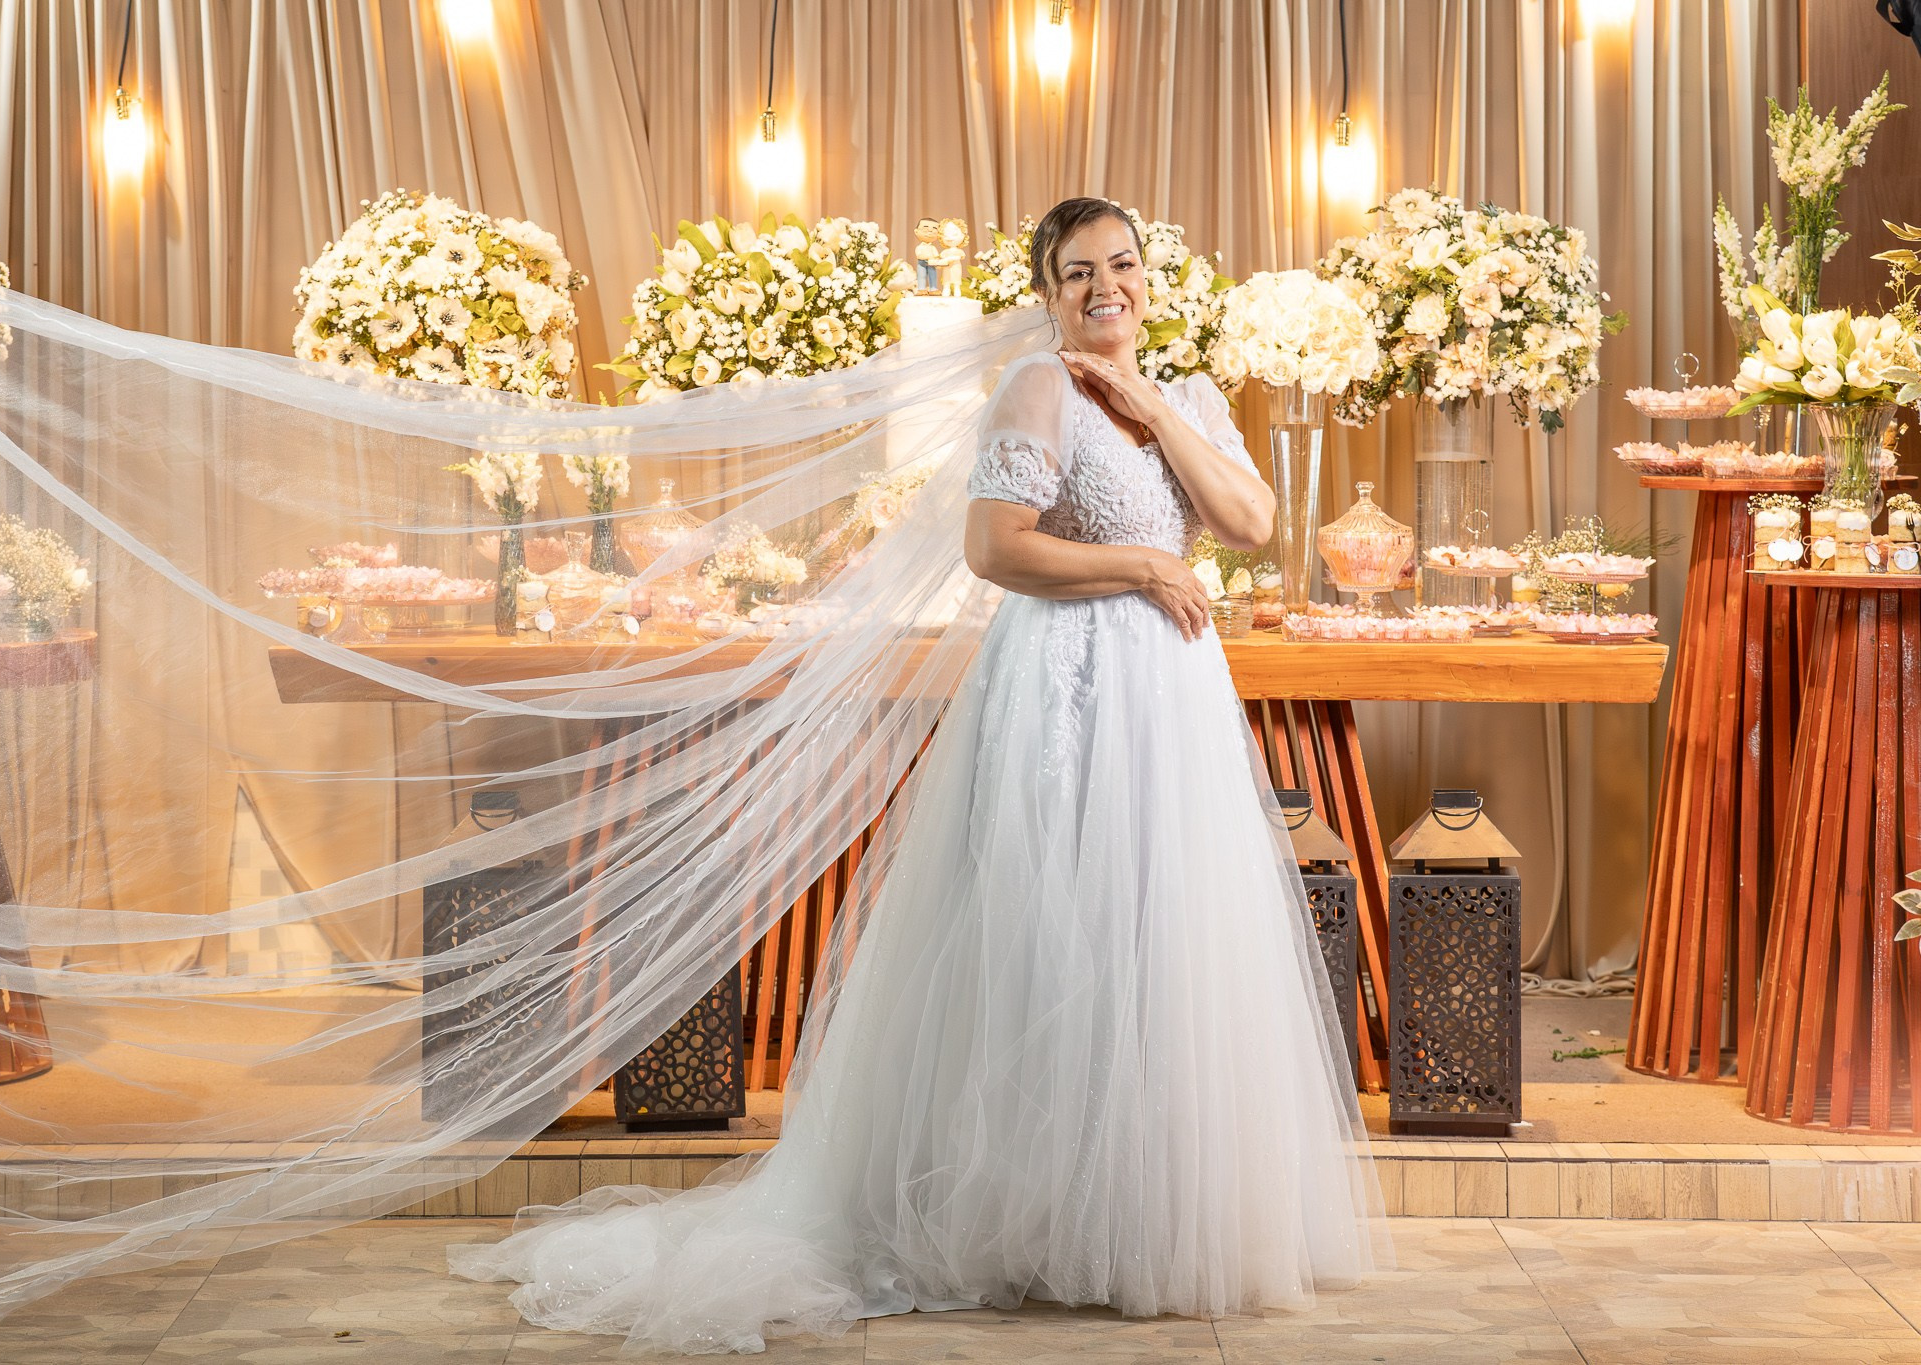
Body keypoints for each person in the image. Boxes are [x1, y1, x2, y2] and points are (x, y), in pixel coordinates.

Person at [449, 196, 1387, 1353]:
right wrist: (1144, 561)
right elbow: (995, 547)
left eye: (1124, 265)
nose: (1106, 287)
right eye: (1079, 271)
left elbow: (1247, 518)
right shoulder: (1036, 389)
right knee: (1050, 936)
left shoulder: (1185, 396)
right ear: (1046, 292)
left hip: (1169, 700)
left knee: (1160, 938)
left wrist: (1149, 402)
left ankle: (1136, 1214)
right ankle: (1019, 1216)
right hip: (1064, 682)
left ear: (1151, 276)